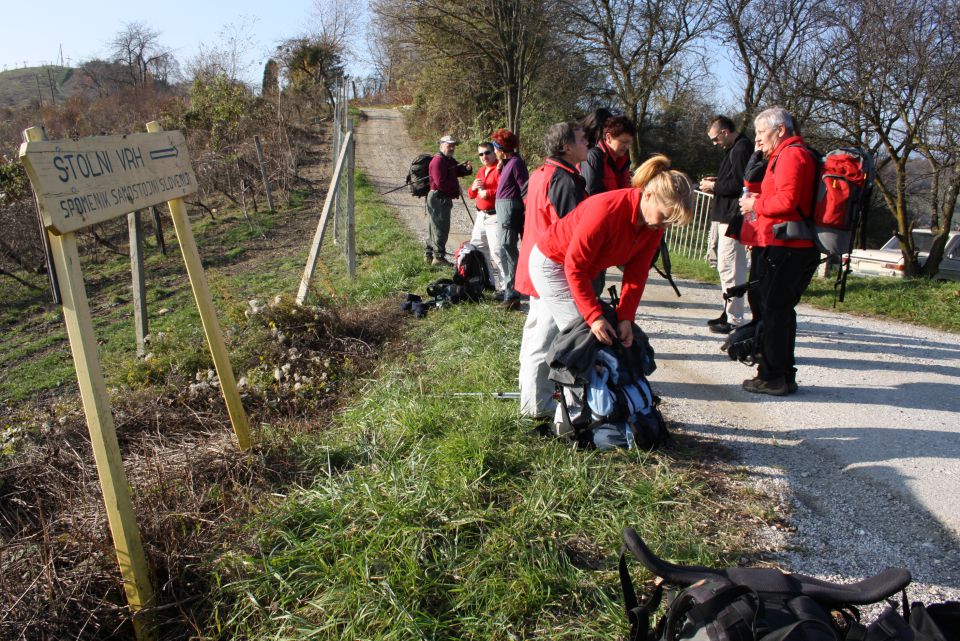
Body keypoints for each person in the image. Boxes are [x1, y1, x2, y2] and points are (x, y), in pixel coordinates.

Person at [528, 154, 694, 350]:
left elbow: (637, 274)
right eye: (664, 217)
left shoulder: (653, 227)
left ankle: (545, 379)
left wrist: (625, 317)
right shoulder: (606, 210)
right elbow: (575, 267)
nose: (664, 226)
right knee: (581, 341)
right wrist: (593, 315)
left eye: (670, 223)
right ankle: (572, 380)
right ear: (648, 196)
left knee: (546, 338)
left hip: (576, 269)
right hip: (553, 263)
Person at [738, 107, 820, 396]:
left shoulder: (792, 155)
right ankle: (781, 373)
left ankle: (774, 376)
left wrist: (754, 206)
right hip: (781, 244)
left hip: (788, 247)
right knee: (777, 310)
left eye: (761, 132)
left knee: (775, 311)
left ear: (781, 130)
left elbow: (787, 200)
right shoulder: (783, 155)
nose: (758, 138)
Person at [514, 122, 589, 419]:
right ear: (566, 146)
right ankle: (537, 411)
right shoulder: (565, 181)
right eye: (583, 139)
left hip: (535, 264)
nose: (588, 143)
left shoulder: (540, 173)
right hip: (552, 270)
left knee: (534, 337)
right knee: (545, 342)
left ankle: (531, 401)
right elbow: (576, 233)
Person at [699, 116, 753, 334]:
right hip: (727, 216)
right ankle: (729, 310)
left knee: (730, 267)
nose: (715, 143)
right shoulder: (737, 149)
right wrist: (718, 181)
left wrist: (714, 185)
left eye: (715, 139)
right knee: (727, 267)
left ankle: (734, 318)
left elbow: (740, 183)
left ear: (724, 132)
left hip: (732, 217)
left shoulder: (741, 149)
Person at [580, 114, 637, 295]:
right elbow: (593, 195)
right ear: (608, 137)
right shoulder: (594, 157)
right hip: (596, 225)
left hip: (611, 227)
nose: (627, 147)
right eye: (624, 142)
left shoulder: (622, 161)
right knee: (590, 279)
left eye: (630, 143)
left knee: (599, 277)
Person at [491, 128, 528, 310]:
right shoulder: (508, 163)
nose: (493, 150)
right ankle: (509, 289)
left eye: (495, 147)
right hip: (505, 207)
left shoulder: (516, 163)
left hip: (510, 208)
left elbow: (524, 188)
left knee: (507, 247)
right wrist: (501, 166)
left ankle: (513, 293)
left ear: (501, 148)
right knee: (504, 248)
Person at [426, 135, 472, 266]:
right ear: (441, 146)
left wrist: (466, 170)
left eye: (453, 145)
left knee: (435, 227)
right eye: (448, 145)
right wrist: (456, 189)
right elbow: (441, 182)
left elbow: (456, 170)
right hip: (438, 198)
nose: (451, 148)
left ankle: (429, 255)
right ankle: (438, 258)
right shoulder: (438, 161)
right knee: (441, 228)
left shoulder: (448, 159)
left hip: (441, 197)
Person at [466, 141, 502, 288]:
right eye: (481, 154)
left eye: (487, 152)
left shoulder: (500, 168)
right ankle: (488, 283)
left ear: (494, 152)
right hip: (480, 216)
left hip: (495, 215)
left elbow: (505, 191)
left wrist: (489, 193)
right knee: (478, 249)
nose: (484, 156)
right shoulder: (481, 170)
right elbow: (470, 194)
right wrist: (473, 188)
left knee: (497, 252)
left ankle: (507, 288)